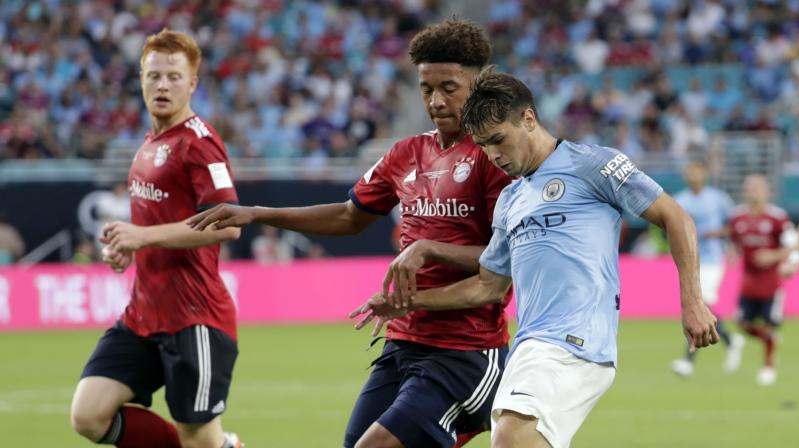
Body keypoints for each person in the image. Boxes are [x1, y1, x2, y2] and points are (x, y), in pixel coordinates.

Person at [350, 69, 719, 448]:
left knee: (511, 437)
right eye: (484, 145)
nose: (494, 156)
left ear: (528, 119)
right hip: (530, 348)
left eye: (498, 140)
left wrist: (692, 300)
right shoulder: (510, 200)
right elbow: (487, 286)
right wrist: (407, 303)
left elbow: (675, 216)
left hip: (573, 343)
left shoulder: (593, 164)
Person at [188, 19, 512, 448]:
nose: (435, 101)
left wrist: (428, 250)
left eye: (449, 88)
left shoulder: (496, 159)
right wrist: (257, 213)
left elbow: (505, 260)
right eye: (425, 88)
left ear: (479, 84)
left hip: (466, 352)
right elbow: (348, 216)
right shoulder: (406, 152)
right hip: (403, 345)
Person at [69, 29, 243, 448]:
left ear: (192, 84)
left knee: (199, 440)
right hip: (143, 315)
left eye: (173, 77)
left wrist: (143, 237)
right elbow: (155, 223)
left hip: (194, 318)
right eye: (153, 76)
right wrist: (127, 249)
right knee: (89, 415)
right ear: (141, 79)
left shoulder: (200, 144)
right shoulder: (149, 144)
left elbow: (227, 224)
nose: (162, 85)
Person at [670, 160, 745, 377]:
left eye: (697, 171)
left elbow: (732, 226)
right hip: (690, 259)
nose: (693, 175)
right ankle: (731, 340)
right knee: (698, 304)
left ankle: (688, 360)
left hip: (712, 258)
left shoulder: (718, 199)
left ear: (705, 174)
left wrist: (724, 239)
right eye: (690, 171)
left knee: (699, 303)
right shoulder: (680, 200)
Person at [728, 174, 796, 386]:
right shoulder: (737, 217)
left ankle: (768, 366)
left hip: (771, 284)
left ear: (767, 191)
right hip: (748, 284)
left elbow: (793, 246)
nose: (754, 191)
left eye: (758, 187)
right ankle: (770, 342)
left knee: (769, 325)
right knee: (741, 322)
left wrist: (785, 261)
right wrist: (731, 252)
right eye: (750, 187)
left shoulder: (778, 218)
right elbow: (733, 241)